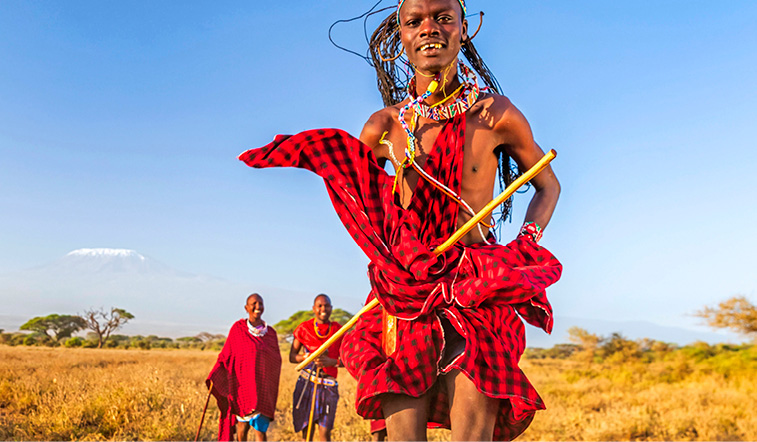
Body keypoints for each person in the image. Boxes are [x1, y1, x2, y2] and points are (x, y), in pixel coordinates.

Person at [239, 0, 562, 439]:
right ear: (401, 37)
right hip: (407, 292)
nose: (430, 28)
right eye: (416, 21)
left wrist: (526, 242)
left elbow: (548, 186)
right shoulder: (385, 128)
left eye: (444, 17)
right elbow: (360, 193)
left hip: (476, 286)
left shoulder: (497, 115)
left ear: (466, 28)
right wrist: (388, 251)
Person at [206, 293, 282, 442]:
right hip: (243, 388)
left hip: (263, 390)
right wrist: (216, 374)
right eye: (253, 304)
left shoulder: (270, 333)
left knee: (260, 432)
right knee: (242, 431)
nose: (257, 307)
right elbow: (226, 355)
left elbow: (276, 361)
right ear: (246, 308)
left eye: (260, 303)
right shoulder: (238, 329)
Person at [289, 294, 343, 441]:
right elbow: (292, 357)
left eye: (326, 306)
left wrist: (332, 362)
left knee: (325, 434)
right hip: (307, 384)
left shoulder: (339, 331)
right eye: (319, 306)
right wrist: (307, 358)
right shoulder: (304, 329)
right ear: (314, 309)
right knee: (307, 432)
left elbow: (347, 359)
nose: (323, 309)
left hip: (328, 387)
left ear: (331, 308)